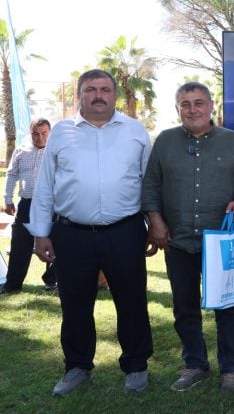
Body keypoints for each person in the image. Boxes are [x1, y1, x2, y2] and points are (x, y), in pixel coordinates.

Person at [28, 69, 153, 396]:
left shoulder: (135, 131)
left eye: (105, 89)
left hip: (124, 231)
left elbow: (150, 183)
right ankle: (78, 367)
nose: (99, 95)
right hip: (72, 234)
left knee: (132, 301)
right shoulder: (60, 133)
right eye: (91, 90)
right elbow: (45, 187)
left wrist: (155, 225)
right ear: (79, 94)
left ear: (115, 95)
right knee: (74, 303)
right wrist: (41, 233)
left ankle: (137, 365)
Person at [142, 82, 234, 393]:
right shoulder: (165, 141)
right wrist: (155, 220)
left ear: (211, 106)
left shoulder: (232, 140)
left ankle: (230, 369)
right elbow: (151, 184)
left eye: (198, 103)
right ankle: (195, 364)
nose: (192, 109)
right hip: (178, 240)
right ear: (177, 108)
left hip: (220, 242)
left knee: (228, 306)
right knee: (184, 306)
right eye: (185, 104)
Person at [2, 118, 56, 294]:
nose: (39, 137)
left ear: (50, 132)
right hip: (26, 203)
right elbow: (11, 175)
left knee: (55, 243)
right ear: (30, 132)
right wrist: (7, 199)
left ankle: (51, 280)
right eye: (35, 133)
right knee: (19, 244)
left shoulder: (56, 152)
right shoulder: (20, 152)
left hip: (51, 204)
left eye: (44, 133)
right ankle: (12, 284)